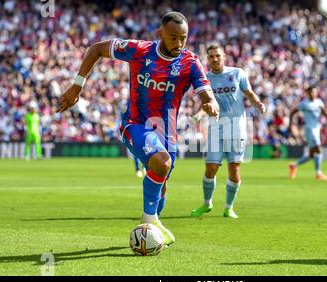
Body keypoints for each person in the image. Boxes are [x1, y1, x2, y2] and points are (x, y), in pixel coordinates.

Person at [56, 12, 220, 246]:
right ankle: (149, 221)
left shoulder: (190, 61)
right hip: (135, 124)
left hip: (167, 133)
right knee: (162, 163)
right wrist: (77, 85)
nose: (179, 43)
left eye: (183, 38)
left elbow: (205, 92)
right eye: (173, 37)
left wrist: (210, 103)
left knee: (162, 181)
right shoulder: (139, 50)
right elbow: (96, 49)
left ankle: (154, 222)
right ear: (160, 34)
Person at [190, 44, 266, 219]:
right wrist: (198, 115)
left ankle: (229, 207)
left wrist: (259, 104)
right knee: (210, 168)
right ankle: (207, 204)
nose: (215, 59)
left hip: (237, 129)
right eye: (211, 57)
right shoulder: (206, 79)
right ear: (207, 59)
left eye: (218, 56)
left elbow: (249, 93)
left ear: (223, 56)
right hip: (216, 129)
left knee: (234, 169)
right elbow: (206, 105)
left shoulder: (237, 73)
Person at [288, 86, 327, 180]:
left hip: (317, 129)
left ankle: (294, 165)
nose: (313, 94)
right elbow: (292, 112)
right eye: (311, 92)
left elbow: (326, 114)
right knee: (318, 150)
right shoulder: (304, 104)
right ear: (307, 93)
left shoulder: (319, 102)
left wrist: (325, 110)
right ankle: (318, 173)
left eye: (314, 92)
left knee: (312, 154)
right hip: (309, 129)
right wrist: (291, 125)